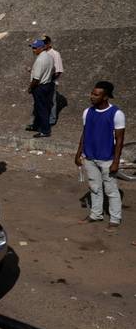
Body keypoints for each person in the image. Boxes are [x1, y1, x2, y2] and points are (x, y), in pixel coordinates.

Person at [75, 81, 125, 232]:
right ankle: (96, 214)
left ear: (105, 97)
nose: (92, 96)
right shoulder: (87, 112)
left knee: (111, 189)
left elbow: (120, 140)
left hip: (107, 158)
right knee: (94, 187)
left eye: (96, 94)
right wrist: (78, 154)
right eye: (92, 93)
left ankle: (115, 219)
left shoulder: (116, 114)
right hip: (90, 157)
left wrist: (115, 162)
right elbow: (85, 133)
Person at [27, 39, 55, 138]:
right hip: (48, 84)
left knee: (41, 108)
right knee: (44, 107)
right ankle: (38, 126)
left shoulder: (40, 60)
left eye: (35, 48)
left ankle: (45, 130)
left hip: (40, 87)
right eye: (32, 48)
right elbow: (52, 71)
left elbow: (36, 79)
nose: (33, 50)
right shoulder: (50, 57)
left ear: (41, 48)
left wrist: (30, 88)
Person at [42, 35, 65, 126]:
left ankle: (51, 120)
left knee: (51, 101)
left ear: (49, 43)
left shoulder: (55, 54)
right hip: (42, 82)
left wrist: (50, 80)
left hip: (50, 82)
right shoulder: (42, 53)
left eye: (45, 43)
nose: (43, 45)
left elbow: (58, 70)